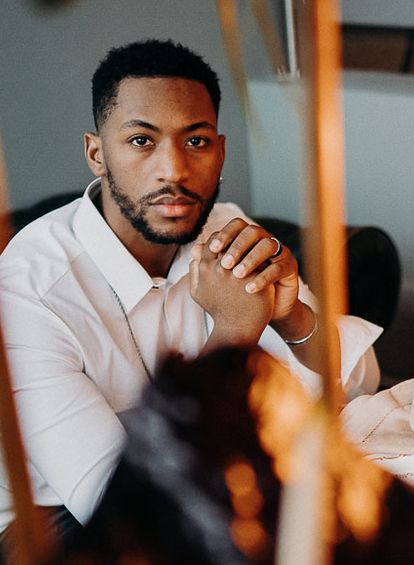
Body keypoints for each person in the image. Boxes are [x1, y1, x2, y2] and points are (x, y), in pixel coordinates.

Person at [0, 39, 382, 536]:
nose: (174, 170)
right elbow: (127, 514)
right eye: (142, 141)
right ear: (97, 154)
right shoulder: (26, 296)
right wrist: (234, 338)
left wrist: (292, 317)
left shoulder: (221, 227)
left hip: (198, 478)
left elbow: (362, 382)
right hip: (52, 522)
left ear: (221, 152)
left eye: (196, 141)